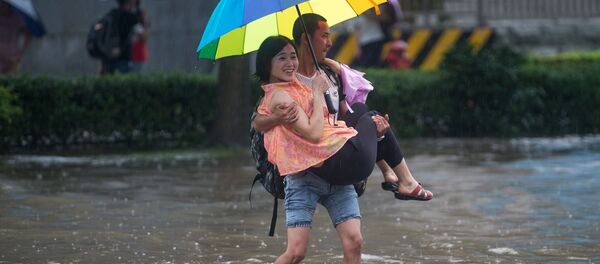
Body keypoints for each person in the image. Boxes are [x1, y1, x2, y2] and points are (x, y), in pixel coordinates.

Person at [257, 35, 405, 264]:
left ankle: (399, 175)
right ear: (268, 64)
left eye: (293, 56)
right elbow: (314, 133)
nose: (290, 63)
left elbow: (334, 111)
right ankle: (404, 179)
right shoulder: (281, 97)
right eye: (282, 58)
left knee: (354, 241)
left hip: (335, 170)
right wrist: (317, 92)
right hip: (304, 176)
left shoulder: (299, 81)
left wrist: (332, 67)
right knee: (296, 252)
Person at [253, 13, 432, 202]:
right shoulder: (286, 80)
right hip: (306, 170)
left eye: (330, 36)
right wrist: (276, 118)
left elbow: (346, 119)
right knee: (300, 226)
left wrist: (376, 135)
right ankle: (400, 178)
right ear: (306, 39)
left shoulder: (330, 74)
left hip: (337, 153)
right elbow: (258, 119)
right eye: (324, 36)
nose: (330, 43)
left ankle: (392, 173)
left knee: (366, 114)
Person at [99, 0, 144, 74]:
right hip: (124, 60)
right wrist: (143, 20)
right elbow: (143, 37)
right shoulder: (131, 17)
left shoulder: (111, 14)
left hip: (108, 60)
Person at [0, 1, 31, 74]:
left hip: (12, 54)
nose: (1, 8)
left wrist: (21, 53)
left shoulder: (17, 18)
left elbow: (28, 36)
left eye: (3, 5)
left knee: (11, 78)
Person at [130, 0, 149, 72]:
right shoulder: (135, 21)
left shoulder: (139, 23)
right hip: (135, 55)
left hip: (138, 55)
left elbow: (144, 38)